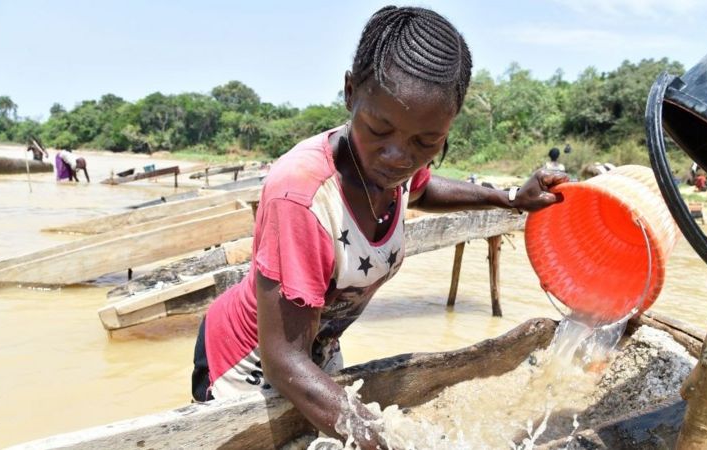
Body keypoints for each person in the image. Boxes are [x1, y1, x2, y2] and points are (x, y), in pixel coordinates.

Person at [191, 6, 568, 447]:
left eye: (426, 142)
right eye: (378, 129)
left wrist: (507, 200)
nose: (398, 158)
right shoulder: (302, 197)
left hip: (318, 351)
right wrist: (391, 440)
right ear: (350, 92)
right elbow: (282, 361)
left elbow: (422, 189)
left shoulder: (396, 173)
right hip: (250, 362)